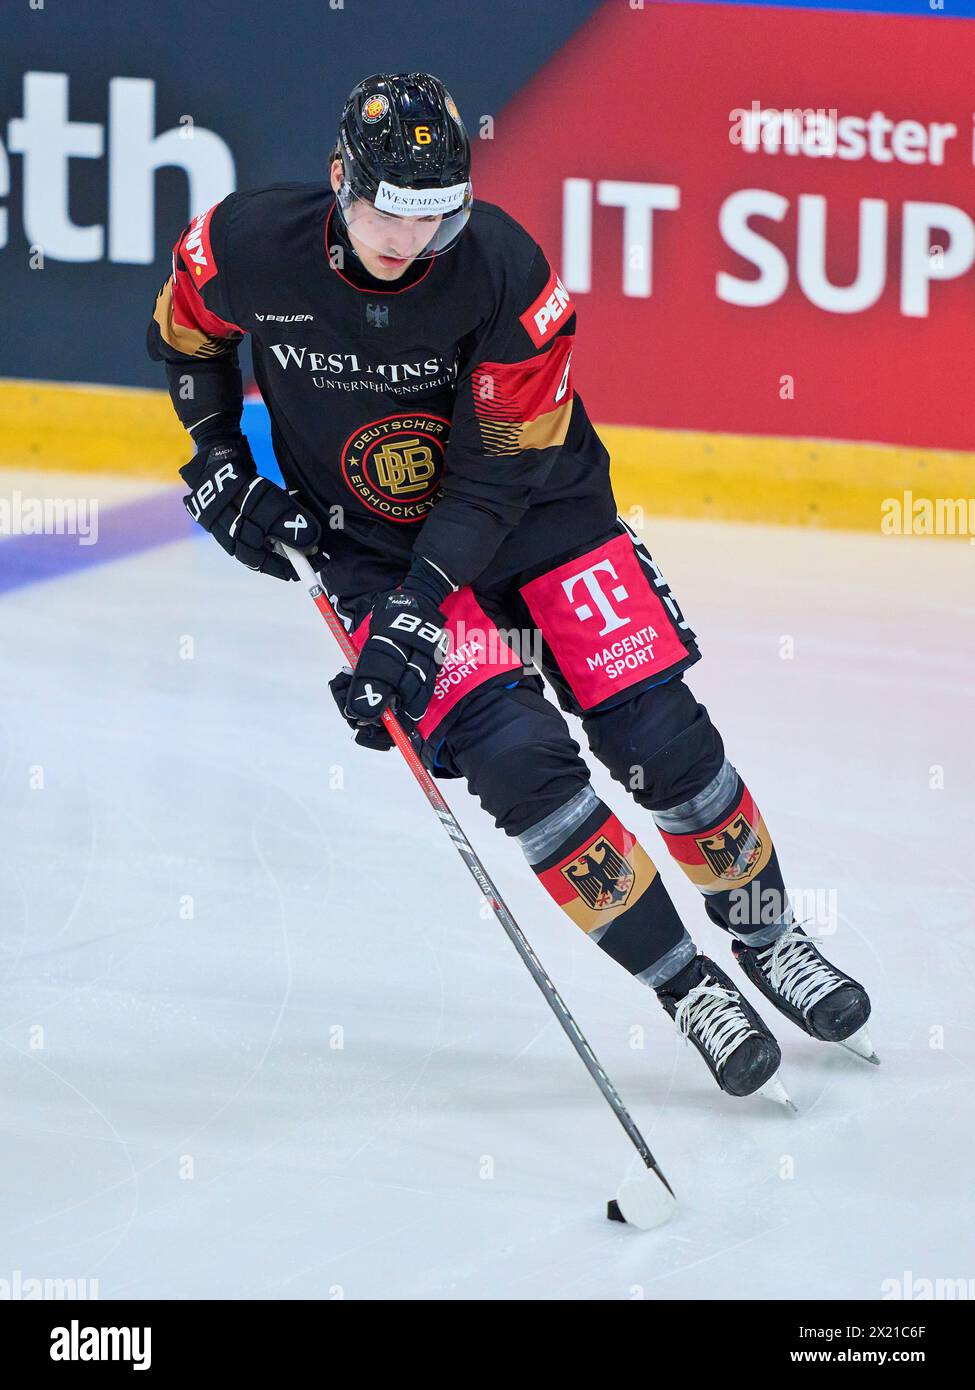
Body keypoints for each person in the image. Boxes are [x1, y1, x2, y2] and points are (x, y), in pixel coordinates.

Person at [148, 71, 875, 1104]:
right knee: (520, 761)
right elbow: (186, 334)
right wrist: (219, 457)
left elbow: (498, 473)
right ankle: (687, 984)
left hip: (540, 516)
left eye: (436, 216)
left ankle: (770, 938)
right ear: (337, 177)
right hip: (369, 546)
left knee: (659, 737)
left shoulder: (504, 273)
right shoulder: (245, 245)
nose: (409, 241)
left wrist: (416, 606)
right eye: (387, 212)